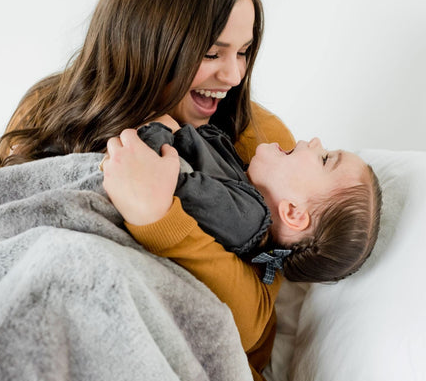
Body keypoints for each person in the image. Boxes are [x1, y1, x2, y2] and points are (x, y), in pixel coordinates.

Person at [0, 0, 307, 381]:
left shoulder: (255, 139)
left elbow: (254, 325)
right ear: (147, 42)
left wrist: (159, 218)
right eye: (213, 52)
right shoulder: (51, 106)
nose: (234, 75)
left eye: (244, 52)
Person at [108, 117, 382, 285]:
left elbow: (163, 183)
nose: (316, 141)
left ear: (294, 213)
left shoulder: (245, 221)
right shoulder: (243, 186)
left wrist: (159, 129)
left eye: (324, 159)